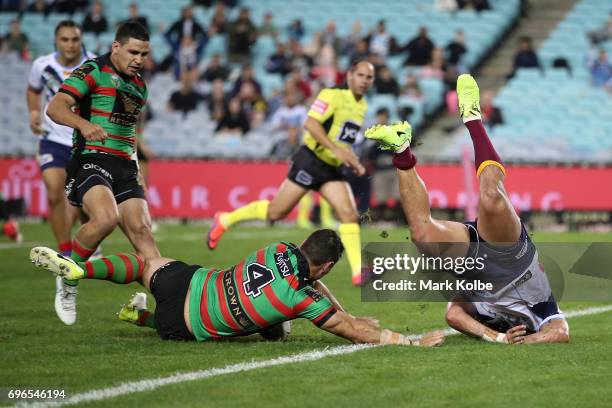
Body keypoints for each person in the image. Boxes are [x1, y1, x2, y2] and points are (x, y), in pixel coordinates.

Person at [364, 74, 570, 345]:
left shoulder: (476, 305)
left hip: (473, 265)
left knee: (421, 235)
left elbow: (453, 314)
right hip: (514, 259)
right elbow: (561, 332)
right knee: (490, 196)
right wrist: (525, 341)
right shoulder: (542, 311)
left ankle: (401, 149)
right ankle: (473, 118)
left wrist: (496, 338)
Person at [30, 229, 445, 346]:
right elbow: (350, 330)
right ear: (328, 267)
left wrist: (345, 310)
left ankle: (82, 271)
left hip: (189, 279)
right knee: (269, 327)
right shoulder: (301, 299)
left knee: (143, 263)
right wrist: (405, 340)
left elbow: (318, 290)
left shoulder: (277, 247)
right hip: (182, 323)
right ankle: (140, 316)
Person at [207, 59, 375, 286]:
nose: (365, 81)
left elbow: (342, 138)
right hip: (311, 161)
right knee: (277, 212)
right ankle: (225, 219)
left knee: (348, 214)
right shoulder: (331, 95)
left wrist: (352, 159)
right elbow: (311, 125)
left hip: (331, 168)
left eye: (369, 77)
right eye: (361, 75)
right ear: (350, 75)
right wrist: (337, 150)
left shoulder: (362, 106)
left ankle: (357, 272)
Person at [46, 22, 160, 325]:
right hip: (91, 160)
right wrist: (84, 125)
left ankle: (166, 303)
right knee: (106, 218)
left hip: (125, 166)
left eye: (144, 54)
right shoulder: (92, 70)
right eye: (133, 52)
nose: (138, 59)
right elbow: (55, 107)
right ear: (116, 47)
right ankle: (68, 280)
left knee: (144, 237)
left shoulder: (140, 86)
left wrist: (138, 170)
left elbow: (130, 131)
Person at [26, 20, 97, 324]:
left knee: (83, 205)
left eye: (75, 39)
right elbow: (33, 90)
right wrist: (32, 111)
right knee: (56, 194)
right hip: (53, 140)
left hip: (81, 141)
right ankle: (66, 255)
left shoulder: (93, 65)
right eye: (65, 39)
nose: (70, 44)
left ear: (81, 41)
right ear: (56, 41)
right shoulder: (41, 65)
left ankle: (89, 239)